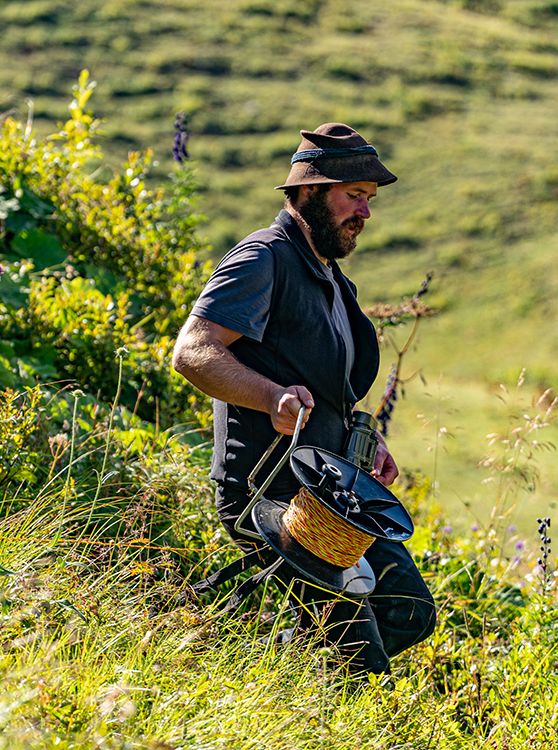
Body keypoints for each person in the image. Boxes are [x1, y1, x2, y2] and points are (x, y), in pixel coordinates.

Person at [172, 122, 436, 674]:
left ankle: (291, 676)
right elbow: (194, 352)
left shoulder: (333, 279)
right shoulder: (262, 260)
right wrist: (271, 398)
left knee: (410, 612)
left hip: (333, 496)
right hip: (274, 496)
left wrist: (363, 436)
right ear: (310, 192)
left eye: (368, 199)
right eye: (353, 196)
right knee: (359, 665)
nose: (364, 212)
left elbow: (324, 387)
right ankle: (302, 699)